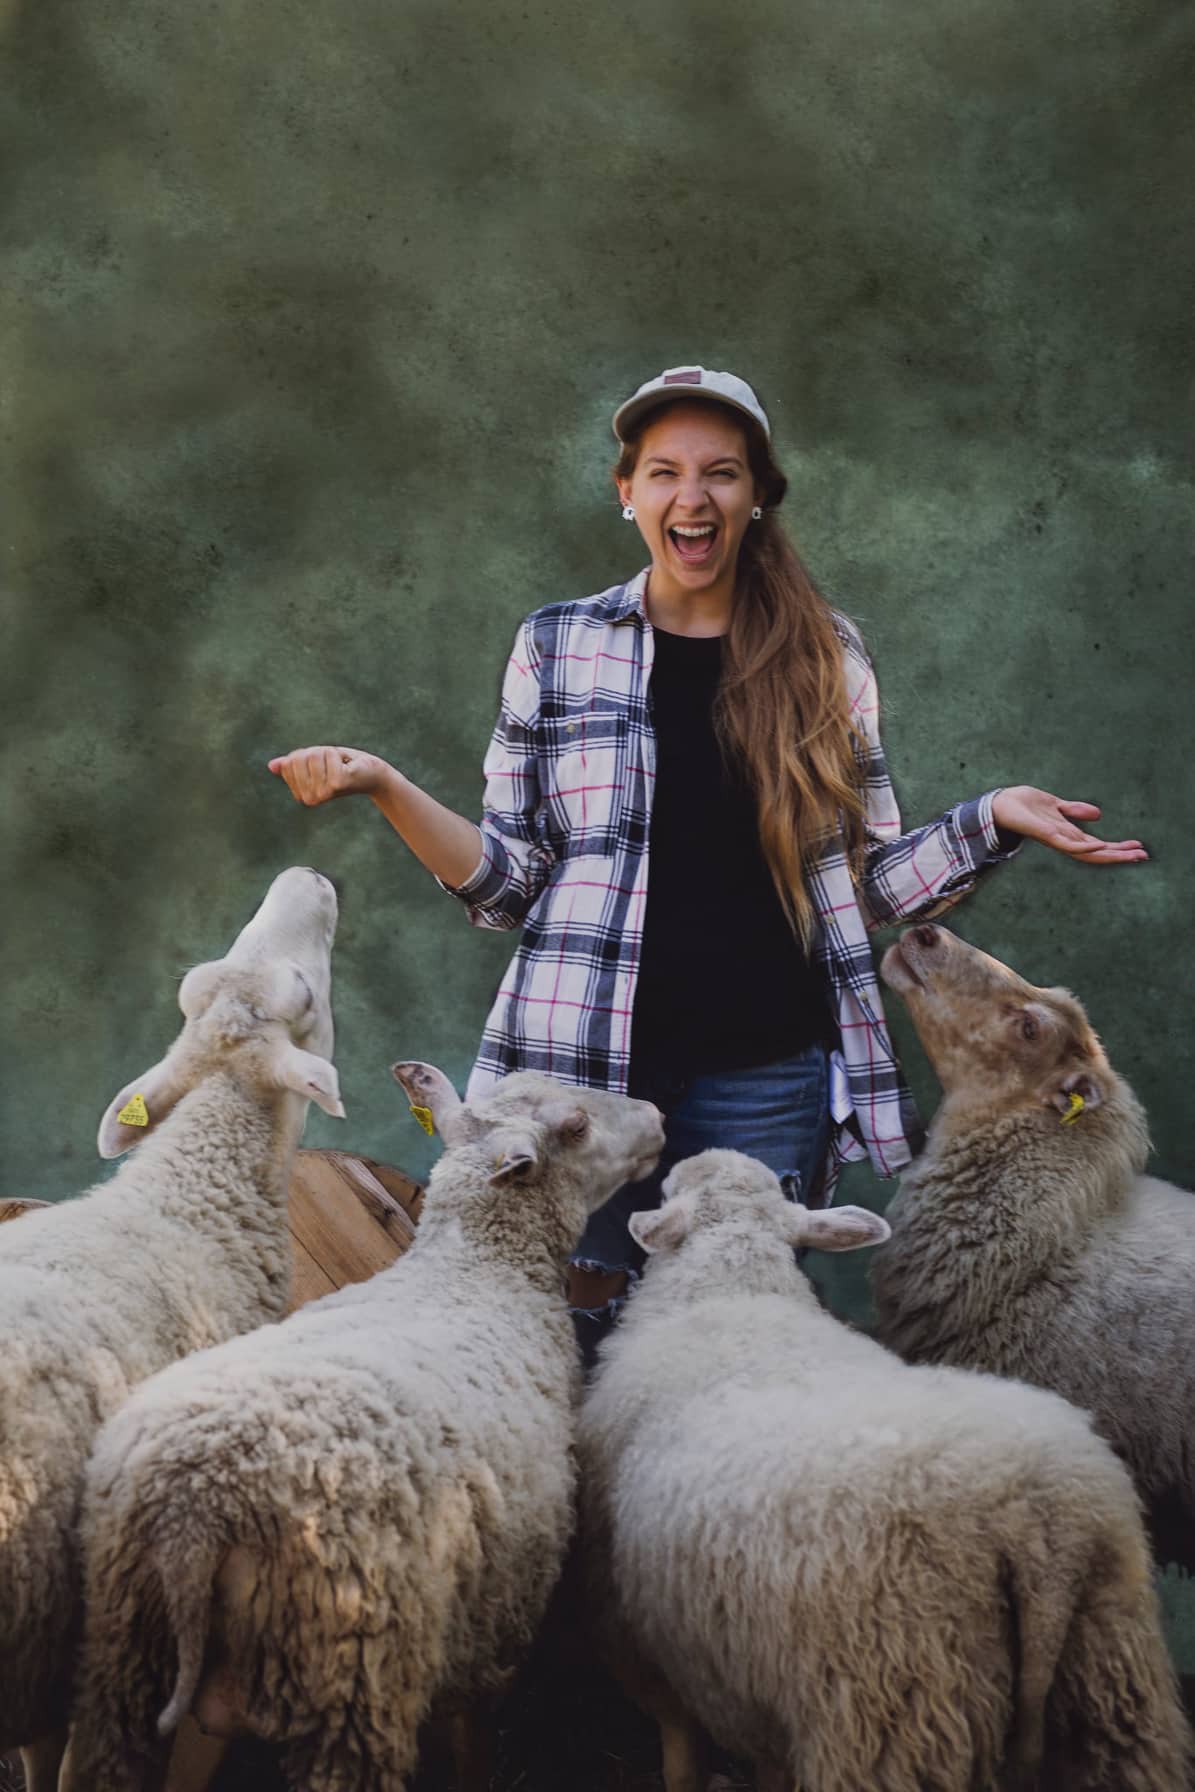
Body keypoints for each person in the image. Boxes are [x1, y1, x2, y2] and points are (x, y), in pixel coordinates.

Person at [269, 364, 1147, 1332]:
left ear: (758, 495)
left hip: (767, 1082)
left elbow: (865, 886)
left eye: (721, 472)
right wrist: (385, 786)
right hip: (581, 1087)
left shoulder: (828, 655)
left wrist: (993, 817)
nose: (692, 497)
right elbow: (511, 883)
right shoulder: (556, 646)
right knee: (564, 1344)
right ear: (626, 493)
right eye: (663, 472)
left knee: (739, 1353)